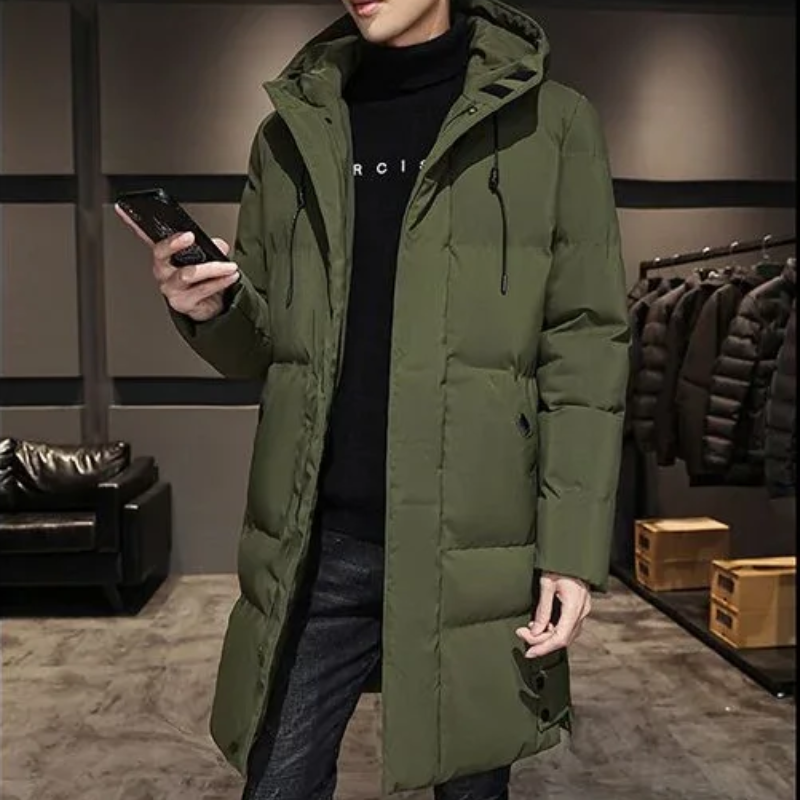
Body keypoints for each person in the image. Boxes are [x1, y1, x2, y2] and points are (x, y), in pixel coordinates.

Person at [117, 0, 629, 797]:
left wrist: (570, 547)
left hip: (473, 541)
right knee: (277, 778)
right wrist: (211, 306)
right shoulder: (289, 132)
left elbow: (585, 343)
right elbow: (262, 348)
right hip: (322, 541)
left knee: (470, 783)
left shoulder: (553, 125)